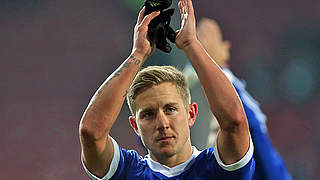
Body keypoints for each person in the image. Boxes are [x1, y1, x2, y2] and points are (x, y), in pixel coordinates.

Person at [79, 0, 255, 179]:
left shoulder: (217, 169)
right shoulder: (127, 172)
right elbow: (91, 132)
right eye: (148, 114)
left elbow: (235, 122)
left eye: (170, 109)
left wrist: (191, 45)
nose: (162, 124)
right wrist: (137, 54)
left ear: (191, 114)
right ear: (135, 126)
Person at [183, 17, 292, 180]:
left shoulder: (235, 90)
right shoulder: (192, 88)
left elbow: (249, 126)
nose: (203, 42)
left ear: (226, 47)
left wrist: (203, 61)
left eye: (208, 36)